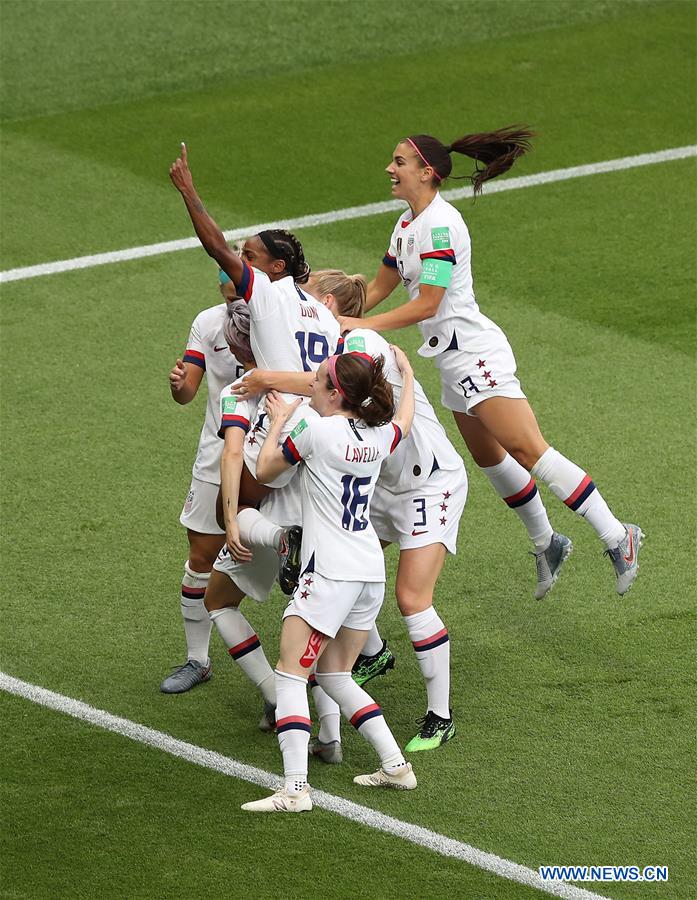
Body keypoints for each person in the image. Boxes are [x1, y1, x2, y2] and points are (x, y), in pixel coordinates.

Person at [337, 128, 643, 597]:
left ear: (427, 172)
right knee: (490, 458)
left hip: (476, 355)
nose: (390, 169)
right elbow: (379, 288)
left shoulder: (441, 226)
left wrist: (362, 328)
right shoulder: (405, 226)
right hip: (450, 361)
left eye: (399, 162)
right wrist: (336, 317)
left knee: (530, 450)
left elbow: (428, 304)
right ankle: (547, 541)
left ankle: (618, 536)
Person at [234, 269, 468, 752]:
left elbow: (326, 384)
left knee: (410, 597)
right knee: (342, 558)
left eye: (308, 298)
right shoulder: (341, 360)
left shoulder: (361, 342)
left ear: (331, 306)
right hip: (382, 484)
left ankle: (439, 716)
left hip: (428, 483)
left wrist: (261, 379)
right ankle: (370, 654)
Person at [241, 349, 417, 812]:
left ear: (337, 393)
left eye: (318, 381)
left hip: (330, 574)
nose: (312, 386)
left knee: (291, 674)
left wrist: (278, 419)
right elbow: (404, 419)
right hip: (368, 573)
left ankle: (295, 790)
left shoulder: (316, 431)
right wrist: (411, 376)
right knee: (336, 673)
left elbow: (264, 470)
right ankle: (396, 765)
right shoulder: (378, 436)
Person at [168, 144, 340, 566]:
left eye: (249, 256)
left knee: (228, 510)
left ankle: (283, 539)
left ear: (276, 266)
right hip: (322, 429)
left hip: (277, 426)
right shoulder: (326, 316)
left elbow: (214, 246)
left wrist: (189, 193)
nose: (238, 263)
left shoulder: (265, 293)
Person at [160, 272, 246, 694]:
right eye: (228, 294)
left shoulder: (281, 319)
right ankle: (198, 660)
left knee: (298, 559)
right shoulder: (207, 323)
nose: (234, 303)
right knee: (200, 558)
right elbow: (187, 391)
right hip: (216, 456)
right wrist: (179, 384)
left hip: (272, 456)